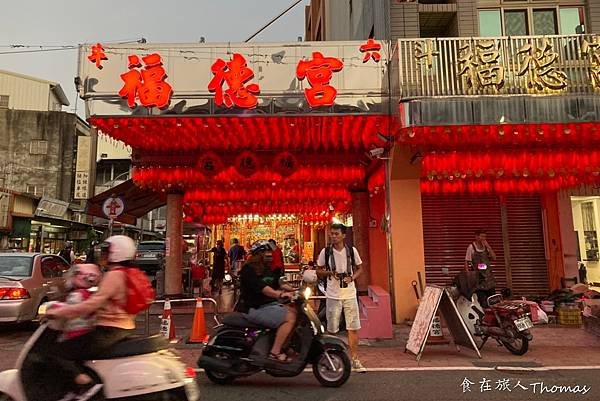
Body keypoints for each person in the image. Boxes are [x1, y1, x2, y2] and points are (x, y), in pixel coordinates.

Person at [40, 235, 137, 401]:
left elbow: (90, 305)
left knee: (56, 352)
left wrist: (59, 312)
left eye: (107, 252)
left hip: (109, 330)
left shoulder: (114, 276)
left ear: (117, 253)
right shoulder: (126, 274)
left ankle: (87, 386)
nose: (103, 256)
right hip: (123, 327)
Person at [316, 223, 366, 373]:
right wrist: (331, 273)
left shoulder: (351, 251)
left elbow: (360, 268)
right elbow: (318, 271)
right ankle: (332, 358)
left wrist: (352, 278)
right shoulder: (325, 252)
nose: (333, 236)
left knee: (353, 328)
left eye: (336, 234)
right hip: (332, 294)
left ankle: (355, 359)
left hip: (349, 293)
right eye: (332, 234)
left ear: (344, 235)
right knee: (332, 329)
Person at [239, 240, 297, 363]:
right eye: (266, 252)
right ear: (258, 254)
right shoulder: (248, 270)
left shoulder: (267, 269)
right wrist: (280, 294)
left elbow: (278, 283)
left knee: (295, 311)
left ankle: (284, 345)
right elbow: (265, 289)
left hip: (269, 305)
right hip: (254, 308)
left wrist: (296, 290)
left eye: (270, 252)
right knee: (290, 317)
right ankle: (275, 352)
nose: (270, 255)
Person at [465, 229, 497, 308]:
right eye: (482, 236)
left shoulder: (486, 247)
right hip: (479, 279)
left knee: (492, 300)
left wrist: (488, 247)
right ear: (476, 237)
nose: (483, 238)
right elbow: (467, 261)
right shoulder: (471, 247)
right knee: (482, 301)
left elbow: (494, 257)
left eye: (485, 236)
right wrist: (468, 275)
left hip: (489, 278)